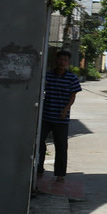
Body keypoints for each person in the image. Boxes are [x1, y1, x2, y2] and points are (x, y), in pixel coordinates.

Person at [40, 49, 82, 183]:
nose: (62, 62)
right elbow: (41, 90)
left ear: (68, 62)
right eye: (60, 59)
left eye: (65, 60)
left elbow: (73, 96)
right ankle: (39, 169)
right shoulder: (47, 76)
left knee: (61, 146)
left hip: (61, 118)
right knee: (39, 143)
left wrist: (66, 109)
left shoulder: (72, 78)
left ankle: (60, 174)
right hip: (46, 116)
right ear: (56, 60)